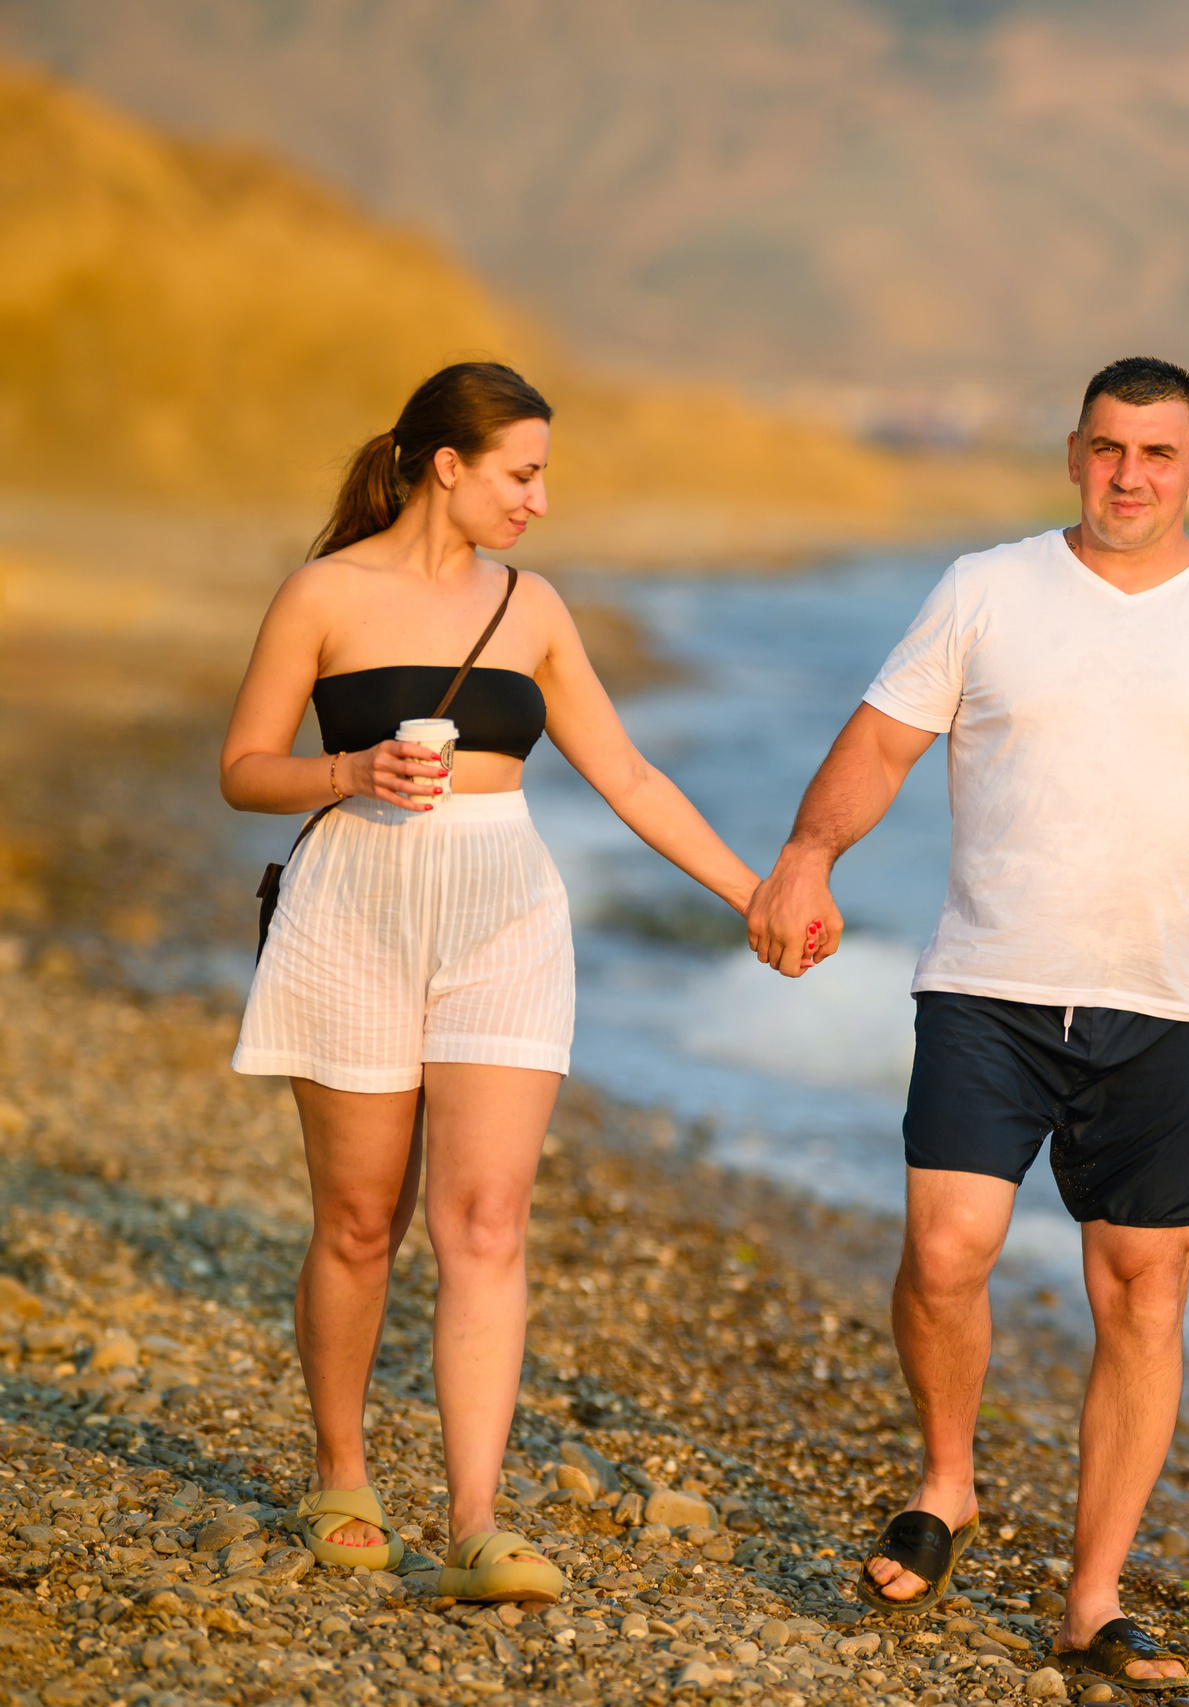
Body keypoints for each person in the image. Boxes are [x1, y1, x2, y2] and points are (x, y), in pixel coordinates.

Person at [746, 356, 1189, 1688]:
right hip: (989, 981)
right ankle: (949, 1483)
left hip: (1171, 1003)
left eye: (1158, 454)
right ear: (1073, 453)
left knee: (1142, 1293)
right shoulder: (986, 588)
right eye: (1109, 449)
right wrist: (807, 854)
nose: (1131, 475)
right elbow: (880, 742)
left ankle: (1092, 1595)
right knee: (948, 1248)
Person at [222, 362, 763, 1603]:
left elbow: (628, 778)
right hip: (352, 910)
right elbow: (244, 768)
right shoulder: (324, 593)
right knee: (362, 1223)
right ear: (446, 465)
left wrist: (750, 896)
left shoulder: (534, 609)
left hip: (504, 915)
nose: (538, 501)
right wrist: (345, 773)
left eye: (544, 477)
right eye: (522, 474)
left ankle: (475, 1520)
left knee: (486, 1222)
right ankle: (342, 1471)